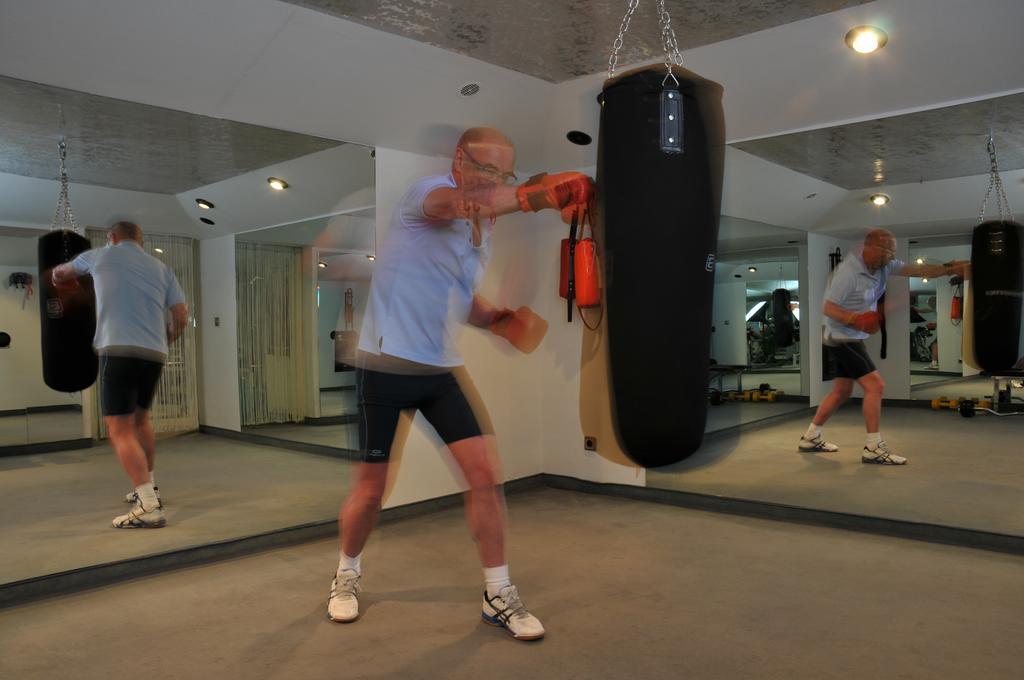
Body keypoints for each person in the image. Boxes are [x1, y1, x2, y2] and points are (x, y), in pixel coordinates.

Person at [326, 127, 592, 640]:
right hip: (385, 366)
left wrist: (497, 319)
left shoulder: (482, 231)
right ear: (459, 159)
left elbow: (458, 296)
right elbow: (455, 205)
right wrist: (537, 194)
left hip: (439, 370)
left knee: (486, 476)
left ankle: (498, 592)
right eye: (486, 169)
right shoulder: (426, 195)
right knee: (371, 490)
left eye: (503, 174)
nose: (493, 180)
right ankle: (345, 576)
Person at [51, 221, 188, 527]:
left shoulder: (100, 255)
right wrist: (166, 339)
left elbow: (61, 273)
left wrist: (59, 278)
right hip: (153, 354)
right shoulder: (160, 268)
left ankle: (149, 507)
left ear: (112, 238)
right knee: (141, 420)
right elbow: (181, 315)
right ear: (140, 240)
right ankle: (148, 487)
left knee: (118, 427)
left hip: (119, 350)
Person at [798, 229, 968, 465]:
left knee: (841, 391)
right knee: (876, 386)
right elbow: (828, 308)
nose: (890, 256)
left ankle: (810, 437)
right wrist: (855, 319)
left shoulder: (884, 266)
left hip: (852, 337)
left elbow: (918, 269)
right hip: (839, 337)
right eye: (887, 251)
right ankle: (873, 448)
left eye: (892, 252)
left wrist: (949, 268)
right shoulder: (847, 273)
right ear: (870, 248)